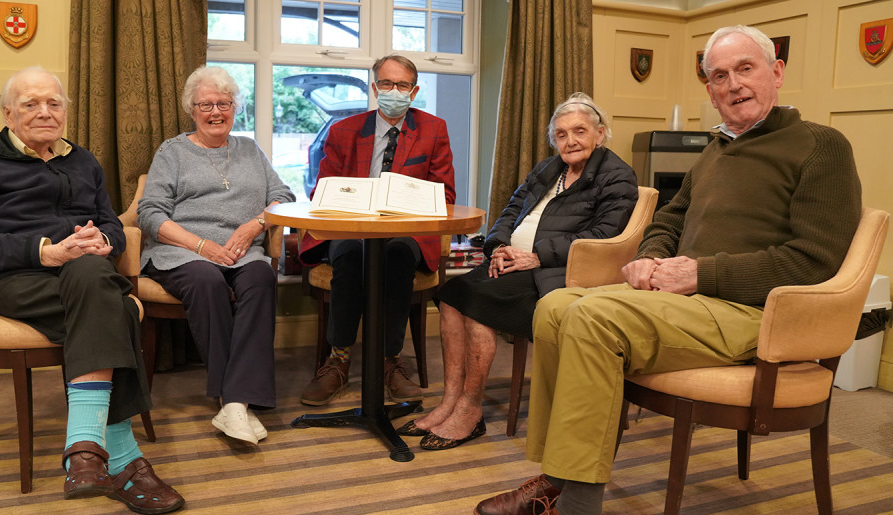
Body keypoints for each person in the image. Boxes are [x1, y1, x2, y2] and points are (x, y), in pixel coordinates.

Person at [473, 25, 862, 515]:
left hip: (757, 315)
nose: (732, 85)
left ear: (776, 72)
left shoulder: (821, 146)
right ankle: (558, 480)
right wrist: (651, 258)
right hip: (687, 303)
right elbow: (669, 218)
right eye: (718, 76)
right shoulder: (718, 149)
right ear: (709, 90)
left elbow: (815, 261)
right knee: (557, 304)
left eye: (744, 69)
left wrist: (702, 274)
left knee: (591, 320)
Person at [0, 66, 184, 515]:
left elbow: (109, 219)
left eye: (54, 103)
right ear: (8, 113)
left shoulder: (83, 160)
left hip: (84, 273)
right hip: (17, 280)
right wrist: (46, 252)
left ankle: (86, 455)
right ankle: (122, 455)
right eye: (31, 103)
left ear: (65, 111)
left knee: (94, 278)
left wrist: (105, 240)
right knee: (118, 309)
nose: (44, 112)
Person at [397, 93, 638, 451]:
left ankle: (469, 409)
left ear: (600, 134)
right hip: (516, 264)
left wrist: (536, 256)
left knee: (477, 301)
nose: (569, 141)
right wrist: (497, 248)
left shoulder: (616, 175)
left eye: (579, 131)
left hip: (560, 274)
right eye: (561, 134)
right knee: (450, 295)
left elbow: (605, 236)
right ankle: (450, 401)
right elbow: (510, 210)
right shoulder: (548, 169)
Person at [137, 66, 295, 445]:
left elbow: (284, 196)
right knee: (206, 281)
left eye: (223, 103)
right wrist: (200, 245)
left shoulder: (249, 149)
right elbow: (149, 213)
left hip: (241, 250)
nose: (215, 112)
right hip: (182, 251)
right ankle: (235, 400)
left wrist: (254, 225)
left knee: (261, 278)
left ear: (234, 108)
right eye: (206, 104)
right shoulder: (172, 152)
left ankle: (234, 403)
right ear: (191, 110)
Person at [298, 54, 456, 406]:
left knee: (397, 252)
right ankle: (338, 359)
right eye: (386, 84)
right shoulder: (344, 131)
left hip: (407, 232)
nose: (393, 91)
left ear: (413, 92)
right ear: (374, 88)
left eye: (402, 85)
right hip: (351, 229)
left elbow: (445, 194)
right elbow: (322, 189)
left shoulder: (433, 129)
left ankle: (390, 360)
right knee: (353, 253)